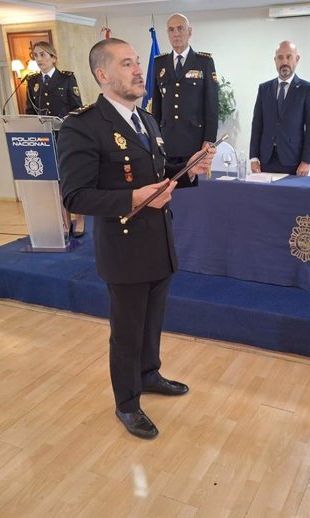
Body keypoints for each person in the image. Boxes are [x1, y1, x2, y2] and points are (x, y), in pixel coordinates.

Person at [57, 38, 215, 440]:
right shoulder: (84, 124)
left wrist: (189, 169)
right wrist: (133, 197)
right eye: (127, 64)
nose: (138, 70)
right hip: (124, 247)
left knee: (152, 321)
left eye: (137, 62)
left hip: (158, 241)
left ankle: (149, 374)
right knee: (127, 330)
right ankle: (127, 402)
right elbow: (75, 195)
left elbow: (157, 175)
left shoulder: (147, 120)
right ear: (103, 74)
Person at [25, 41, 86, 237]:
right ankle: (65, 222)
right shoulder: (32, 82)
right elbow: (29, 111)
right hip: (45, 139)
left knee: (71, 179)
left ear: (53, 57)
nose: (39, 59)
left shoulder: (66, 79)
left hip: (65, 137)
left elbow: (78, 108)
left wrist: (66, 120)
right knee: (56, 182)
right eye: (35, 55)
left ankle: (80, 219)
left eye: (43, 55)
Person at [152, 13, 219, 167]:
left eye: (180, 28)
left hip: (194, 141)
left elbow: (212, 105)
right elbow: (156, 106)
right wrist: (155, 137)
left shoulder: (204, 62)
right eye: (171, 30)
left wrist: (209, 140)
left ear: (189, 31)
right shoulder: (159, 63)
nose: (176, 33)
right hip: (167, 141)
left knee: (193, 188)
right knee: (168, 186)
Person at [249, 41, 310, 176]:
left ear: (297, 59)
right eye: (280, 57)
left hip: (294, 162)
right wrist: (254, 157)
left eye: (289, 57)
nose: (284, 62)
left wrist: (306, 161)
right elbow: (257, 125)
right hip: (266, 160)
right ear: (275, 60)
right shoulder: (264, 89)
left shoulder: (307, 89)